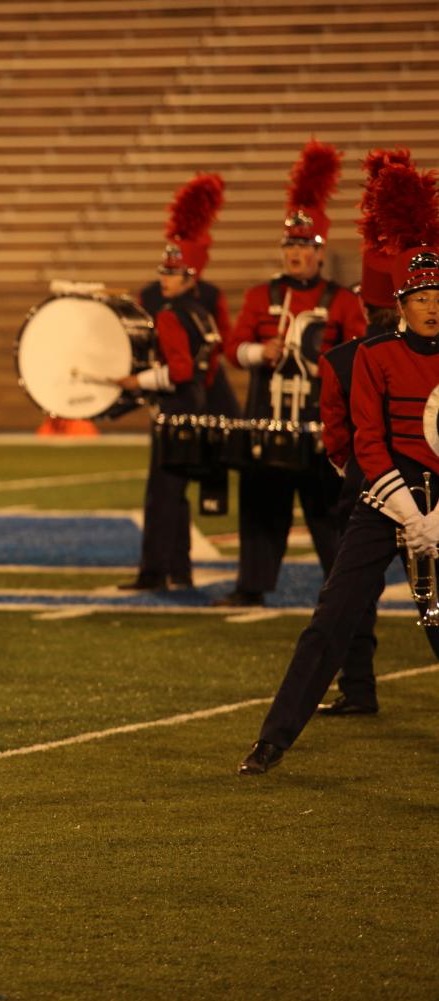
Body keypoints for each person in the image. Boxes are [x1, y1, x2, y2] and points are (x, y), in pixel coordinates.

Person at [239, 160, 439, 775]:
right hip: (384, 502)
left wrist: (436, 519)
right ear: (400, 304)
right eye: (421, 298)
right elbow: (367, 445)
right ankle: (273, 740)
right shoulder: (373, 357)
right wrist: (410, 514)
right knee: (331, 619)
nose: (432, 307)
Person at [216, 140, 365, 607]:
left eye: (304, 246)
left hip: (320, 423)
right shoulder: (262, 296)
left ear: (320, 253)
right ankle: (251, 585)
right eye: (290, 245)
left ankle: (342, 588)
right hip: (268, 417)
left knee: (328, 512)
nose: (295, 254)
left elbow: (360, 352)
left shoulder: (341, 300)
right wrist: (261, 351)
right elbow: (232, 350)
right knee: (261, 508)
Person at [118, 173, 238, 591]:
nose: (164, 279)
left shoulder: (170, 312)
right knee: (176, 494)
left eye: (173, 273)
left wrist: (139, 380)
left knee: (162, 495)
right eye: (164, 272)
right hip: (200, 404)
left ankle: (155, 573)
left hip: (176, 410)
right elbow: (211, 356)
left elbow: (180, 368)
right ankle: (179, 570)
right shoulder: (200, 311)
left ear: (189, 276)